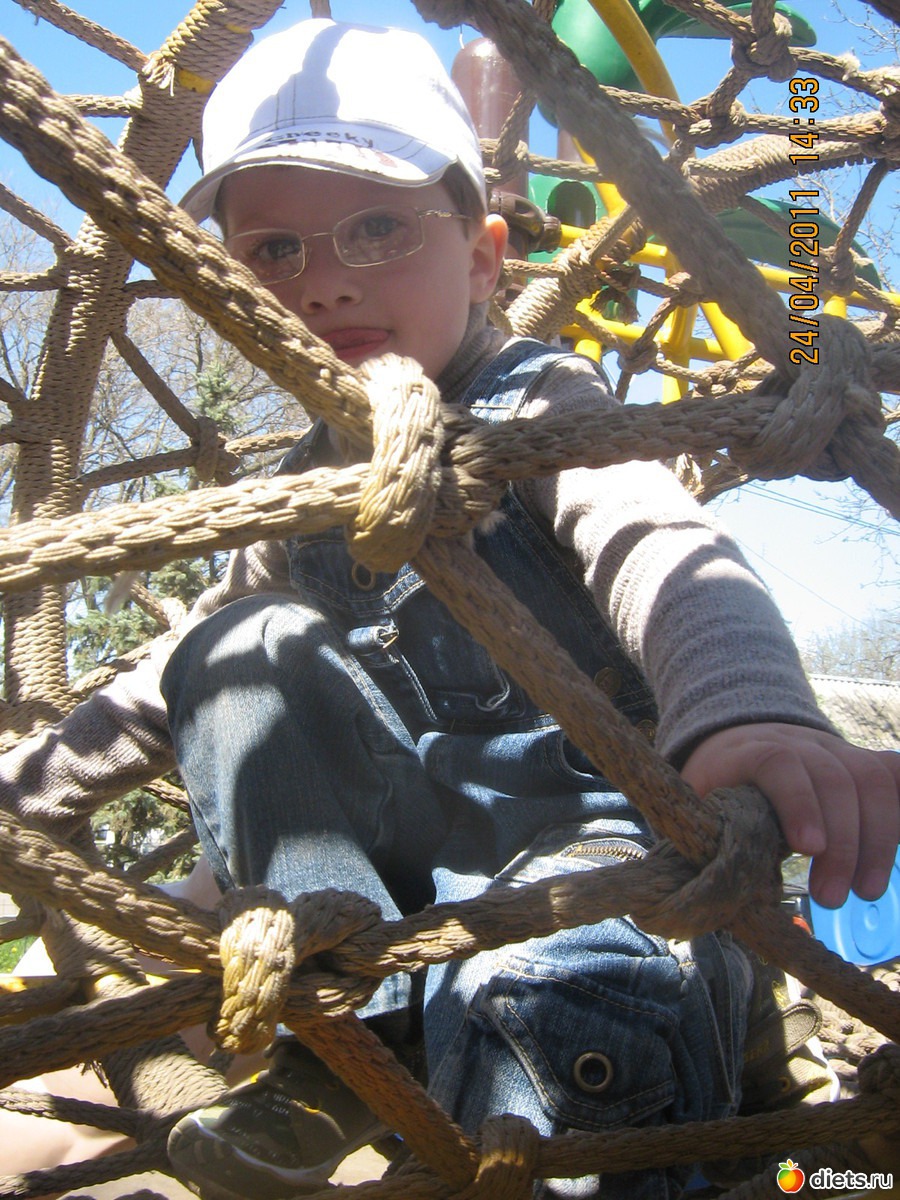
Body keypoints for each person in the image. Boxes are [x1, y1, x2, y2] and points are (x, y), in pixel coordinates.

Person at [1, 17, 898, 1200]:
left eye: (377, 228)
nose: (325, 279)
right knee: (233, 647)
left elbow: (659, 542)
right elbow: (165, 681)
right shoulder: (300, 491)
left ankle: (725, 1059)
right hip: (396, 905)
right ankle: (339, 1038)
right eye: (274, 250)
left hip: (602, 856)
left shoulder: (540, 404)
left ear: (482, 259)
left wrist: (752, 712)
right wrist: (23, 799)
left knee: (563, 1008)